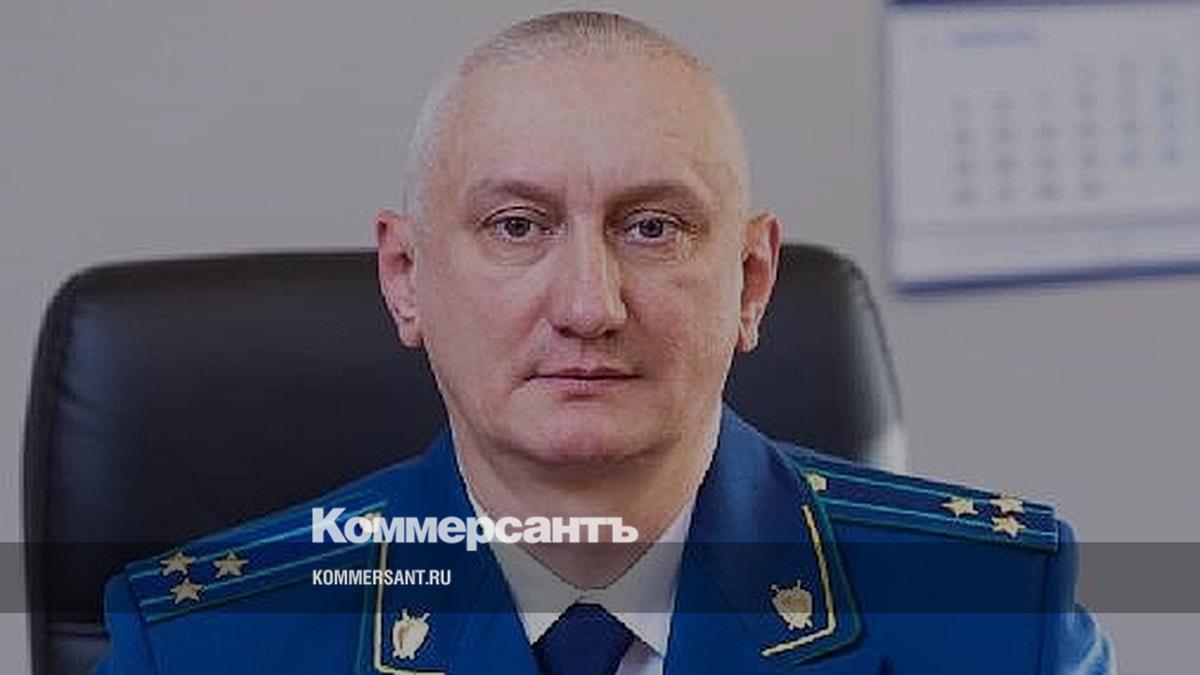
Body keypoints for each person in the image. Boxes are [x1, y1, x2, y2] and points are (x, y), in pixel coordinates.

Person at [93, 11, 1112, 674]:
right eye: (517, 226)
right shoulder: (203, 645)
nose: (589, 305)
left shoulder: (995, 611)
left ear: (752, 281)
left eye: (652, 228)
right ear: (405, 278)